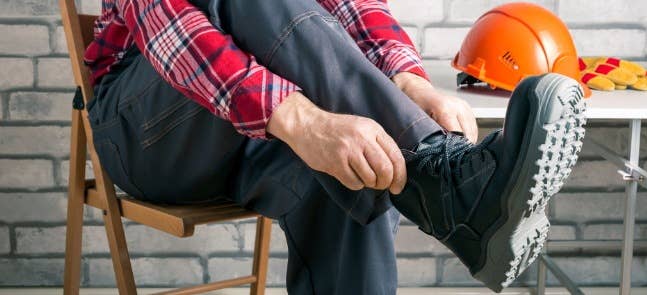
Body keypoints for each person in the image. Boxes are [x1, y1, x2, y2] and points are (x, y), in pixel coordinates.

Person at [83, 0, 586, 293]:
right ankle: (448, 186)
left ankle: (445, 184)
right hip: (146, 132)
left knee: (354, 168)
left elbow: (353, 7)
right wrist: (304, 121)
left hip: (253, 131)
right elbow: (170, 30)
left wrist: (411, 86)